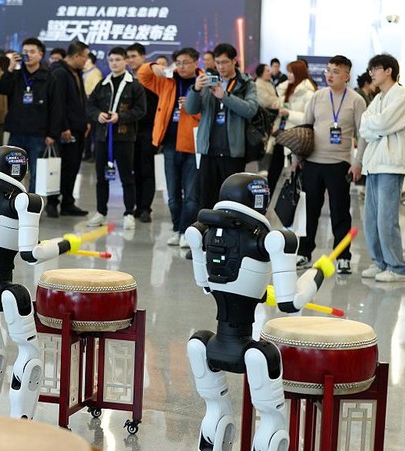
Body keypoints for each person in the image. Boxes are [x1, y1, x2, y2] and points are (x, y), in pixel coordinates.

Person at [185, 173, 325, 451]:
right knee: (272, 421)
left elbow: (206, 285)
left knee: (215, 408)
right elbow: (291, 303)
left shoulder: (205, 232)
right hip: (252, 353)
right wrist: (317, 275)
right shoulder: (270, 239)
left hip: (209, 346)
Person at [0, 145, 75, 419]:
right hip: (10, 294)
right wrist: (64, 245)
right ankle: (20, 421)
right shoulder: (25, 201)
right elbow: (30, 254)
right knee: (29, 351)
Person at [295, 55, 366, 275]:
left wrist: (357, 162)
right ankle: (304, 253)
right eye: (328, 70)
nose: (330, 74)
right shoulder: (317, 96)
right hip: (313, 163)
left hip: (339, 164)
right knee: (310, 211)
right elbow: (305, 128)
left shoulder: (356, 100)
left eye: (336, 71)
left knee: (340, 212)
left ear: (347, 75)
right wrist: (296, 158)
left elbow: (362, 134)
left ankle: (343, 257)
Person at [359, 53, 405, 282]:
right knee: (371, 217)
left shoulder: (400, 94)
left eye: (375, 69)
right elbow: (364, 125)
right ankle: (380, 262)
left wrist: (377, 127)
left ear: (388, 71)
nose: (371, 73)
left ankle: (397, 267)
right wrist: (377, 127)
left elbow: (382, 123)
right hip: (374, 163)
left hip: (391, 164)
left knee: (386, 218)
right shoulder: (379, 98)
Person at [138, 47, 202, 247]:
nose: (182, 67)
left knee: (191, 195)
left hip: (193, 145)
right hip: (169, 145)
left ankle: (186, 232)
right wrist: (153, 65)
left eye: (186, 62)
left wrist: (192, 107)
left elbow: (208, 113)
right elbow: (143, 76)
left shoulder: (203, 82)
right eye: (179, 62)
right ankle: (176, 229)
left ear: (196, 63)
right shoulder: (167, 80)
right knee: (173, 195)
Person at [185, 43, 259, 210]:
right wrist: (195, 89)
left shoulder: (245, 83)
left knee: (232, 200)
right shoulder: (208, 81)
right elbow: (191, 109)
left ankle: (229, 235)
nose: (220, 66)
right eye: (217, 62)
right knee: (207, 199)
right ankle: (209, 234)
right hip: (208, 150)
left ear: (234, 61)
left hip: (232, 151)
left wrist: (224, 96)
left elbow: (250, 110)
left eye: (224, 62)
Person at [86, 47, 147, 230]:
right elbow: (90, 105)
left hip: (124, 138)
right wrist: (98, 115)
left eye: (118, 59)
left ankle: (129, 212)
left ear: (125, 61)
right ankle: (101, 212)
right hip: (102, 137)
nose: (114, 63)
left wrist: (120, 117)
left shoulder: (134, 85)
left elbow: (141, 110)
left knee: (127, 177)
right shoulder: (103, 83)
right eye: (111, 60)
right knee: (101, 177)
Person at [0, 37, 60, 194]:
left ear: (40, 54)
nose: (28, 55)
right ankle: (12, 203)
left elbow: (55, 107)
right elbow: (3, 89)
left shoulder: (49, 77)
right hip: (16, 132)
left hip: (38, 133)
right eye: (25, 52)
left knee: (35, 172)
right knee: (13, 171)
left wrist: (52, 133)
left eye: (32, 52)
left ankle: (31, 205)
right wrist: (10, 68)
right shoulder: (16, 75)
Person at [47, 40, 90, 218]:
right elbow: (58, 103)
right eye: (85, 57)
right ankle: (52, 202)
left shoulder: (76, 72)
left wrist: (86, 121)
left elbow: (80, 100)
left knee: (73, 167)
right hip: (66, 130)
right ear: (76, 55)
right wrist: (63, 126)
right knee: (61, 167)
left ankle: (68, 202)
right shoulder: (60, 72)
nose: (86, 61)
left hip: (78, 128)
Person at [266, 60, 316, 192]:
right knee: (273, 173)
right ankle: (266, 202)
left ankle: (294, 207)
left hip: (296, 139)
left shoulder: (309, 94)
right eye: (288, 72)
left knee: (295, 175)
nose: (289, 75)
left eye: (291, 72)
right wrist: (277, 107)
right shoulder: (285, 89)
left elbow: (309, 118)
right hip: (281, 135)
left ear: (298, 73)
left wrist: (289, 113)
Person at [126, 43, 159, 223]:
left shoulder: (151, 77)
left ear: (143, 57)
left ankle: (145, 207)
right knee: (133, 170)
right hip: (129, 132)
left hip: (148, 131)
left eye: (134, 56)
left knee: (146, 169)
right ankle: (135, 206)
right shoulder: (126, 79)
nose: (131, 60)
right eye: (128, 57)